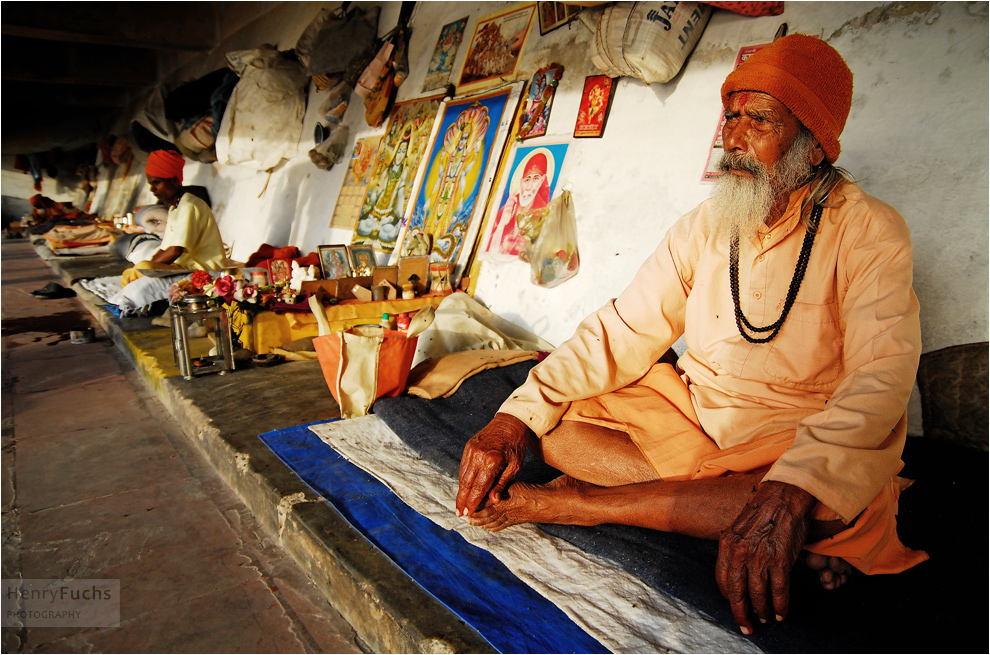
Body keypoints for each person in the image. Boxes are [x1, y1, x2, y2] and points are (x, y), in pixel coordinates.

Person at [455, 34, 926, 636]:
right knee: (563, 435)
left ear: (814, 147)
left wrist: (792, 486)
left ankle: (582, 506)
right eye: (730, 116)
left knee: (829, 500)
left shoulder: (870, 231)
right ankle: (739, 515)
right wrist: (513, 418)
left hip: (795, 438)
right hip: (695, 424)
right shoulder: (707, 224)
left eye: (759, 121)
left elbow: (879, 376)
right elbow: (620, 331)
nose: (733, 139)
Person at [122, 150, 226, 285]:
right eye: (151, 184)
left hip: (203, 270)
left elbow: (175, 251)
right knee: (138, 268)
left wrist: (145, 269)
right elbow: (165, 249)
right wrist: (144, 266)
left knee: (144, 268)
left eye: (156, 183)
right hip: (184, 267)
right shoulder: (175, 208)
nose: (152, 189)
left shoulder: (189, 205)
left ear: (175, 181)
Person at [485, 151, 551, 257]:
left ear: (542, 180)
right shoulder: (505, 211)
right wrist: (502, 224)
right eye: (527, 179)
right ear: (521, 182)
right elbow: (489, 253)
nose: (529, 186)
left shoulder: (543, 216)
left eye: (536, 179)